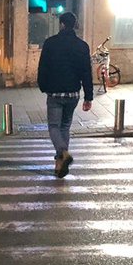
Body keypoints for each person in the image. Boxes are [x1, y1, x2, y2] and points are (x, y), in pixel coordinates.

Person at [36, 11, 93, 178]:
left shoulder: (50, 43)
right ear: (74, 25)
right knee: (65, 126)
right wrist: (88, 96)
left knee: (54, 126)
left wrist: (43, 86)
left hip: (54, 92)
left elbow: (43, 67)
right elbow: (86, 73)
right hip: (73, 93)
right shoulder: (82, 46)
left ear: (61, 24)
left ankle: (62, 153)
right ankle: (60, 165)